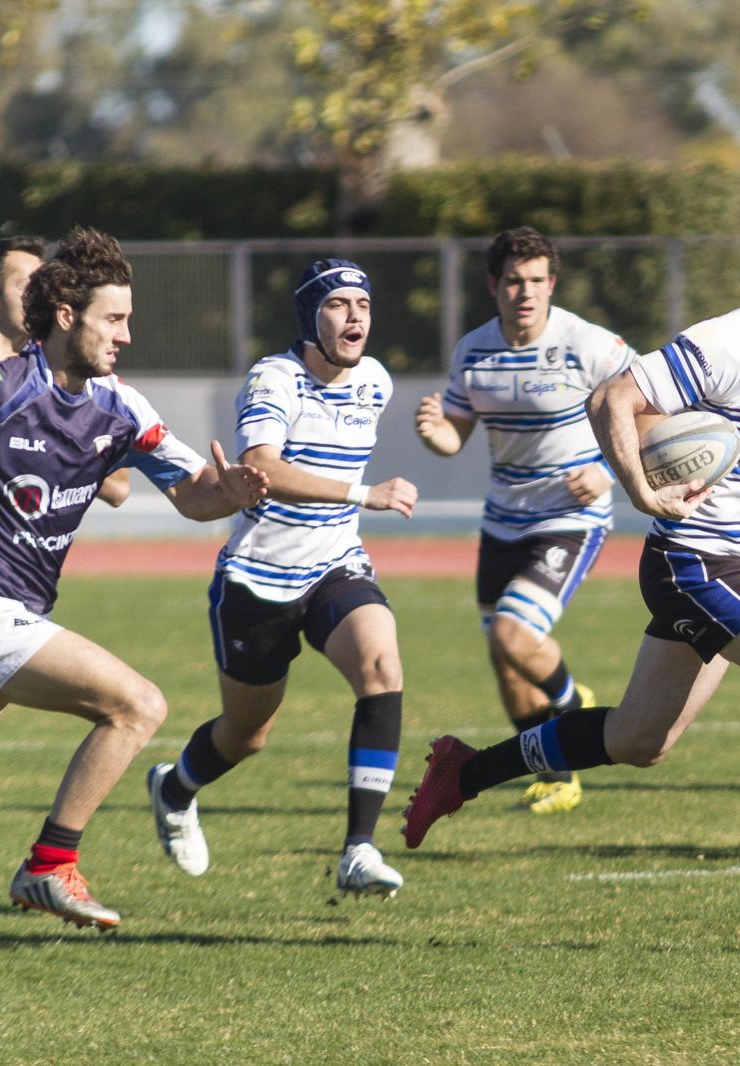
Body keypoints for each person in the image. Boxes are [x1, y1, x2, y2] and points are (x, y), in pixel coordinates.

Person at [403, 219, 740, 926]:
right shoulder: (730, 341)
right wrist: (639, 489)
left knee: (641, 740)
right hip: (694, 558)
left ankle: (464, 770)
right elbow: (611, 399)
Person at [0, 227, 268, 928]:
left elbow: (192, 494)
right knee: (137, 706)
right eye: (113, 320)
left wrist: (230, 492)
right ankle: (49, 867)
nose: (125, 336)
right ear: (66, 318)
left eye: (128, 321)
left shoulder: (120, 408)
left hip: (5, 621)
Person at [146, 259, 418, 898]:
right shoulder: (275, 379)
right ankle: (174, 786)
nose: (355, 317)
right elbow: (262, 462)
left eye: (363, 305)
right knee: (247, 735)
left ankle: (359, 849)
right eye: (337, 305)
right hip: (258, 581)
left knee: (382, 665)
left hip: (334, 565)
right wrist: (362, 492)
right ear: (308, 316)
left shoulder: (374, 381)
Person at [414, 227, 636, 815]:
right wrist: (434, 430)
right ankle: (560, 774)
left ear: (552, 284)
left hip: (570, 515)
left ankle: (570, 704)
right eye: (514, 280)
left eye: (537, 280)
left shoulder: (589, 345)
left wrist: (608, 473)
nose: (525, 291)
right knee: (504, 659)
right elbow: (454, 433)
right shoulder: (473, 350)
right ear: (494, 285)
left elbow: (652, 407)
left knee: (516, 636)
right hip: (502, 520)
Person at [0, 239, 131, 613]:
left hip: (16, 582)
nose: (44, 295)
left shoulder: (65, 378)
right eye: (30, 286)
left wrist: (40, 445)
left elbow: (119, 488)